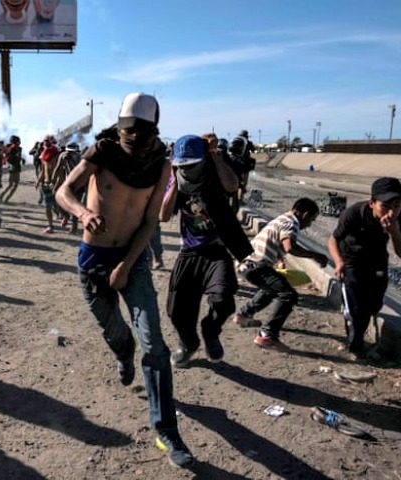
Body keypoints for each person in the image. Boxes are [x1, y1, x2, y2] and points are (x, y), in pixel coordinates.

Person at [55, 93, 194, 469]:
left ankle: (166, 430)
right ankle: (122, 354)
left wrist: (127, 266)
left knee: (156, 345)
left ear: (154, 131)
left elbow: (150, 220)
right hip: (93, 260)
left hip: (132, 260)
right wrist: (82, 212)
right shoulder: (102, 152)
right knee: (116, 334)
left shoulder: (162, 165)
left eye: (142, 131)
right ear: (119, 128)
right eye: (127, 130)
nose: (133, 137)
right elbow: (63, 191)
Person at [160, 134, 252, 367]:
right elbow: (163, 215)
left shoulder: (215, 171)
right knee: (176, 310)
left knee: (223, 301)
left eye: (192, 164)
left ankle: (210, 331)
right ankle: (188, 344)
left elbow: (232, 186)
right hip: (189, 251)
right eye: (183, 165)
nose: (188, 169)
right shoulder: (178, 179)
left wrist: (216, 158)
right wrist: (173, 178)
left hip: (217, 250)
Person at [233, 198, 328, 349]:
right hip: (257, 265)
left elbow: (278, 244)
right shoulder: (292, 222)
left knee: (271, 289)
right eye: (311, 219)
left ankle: (244, 315)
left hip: (246, 264)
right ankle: (267, 335)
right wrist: (315, 255)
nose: (309, 224)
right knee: (288, 295)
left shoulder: (283, 218)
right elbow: (289, 247)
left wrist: (278, 260)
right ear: (305, 214)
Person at [327, 177, 401, 359]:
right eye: (385, 206)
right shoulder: (353, 214)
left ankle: (359, 330)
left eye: (397, 205)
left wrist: (394, 232)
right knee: (356, 308)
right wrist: (338, 262)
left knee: (374, 304)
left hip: (377, 261)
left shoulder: (397, 219)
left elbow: (400, 252)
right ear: (372, 203)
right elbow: (333, 239)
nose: (391, 212)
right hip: (351, 260)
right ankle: (356, 346)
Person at [52, 141, 82, 233]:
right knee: (57, 198)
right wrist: (53, 179)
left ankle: (74, 226)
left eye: (72, 152)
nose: (70, 154)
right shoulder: (63, 156)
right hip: (67, 182)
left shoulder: (81, 158)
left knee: (75, 204)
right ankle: (65, 215)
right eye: (69, 152)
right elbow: (58, 168)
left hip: (79, 184)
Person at [35, 135, 59, 233]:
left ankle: (61, 215)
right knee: (47, 205)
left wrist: (58, 182)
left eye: (48, 141)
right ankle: (50, 226)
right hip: (45, 183)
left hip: (55, 183)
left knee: (56, 204)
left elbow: (60, 171)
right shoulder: (43, 154)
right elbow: (43, 169)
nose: (45, 143)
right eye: (45, 141)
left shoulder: (58, 154)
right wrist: (38, 181)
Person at [0, 135, 22, 203]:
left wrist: (21, 159)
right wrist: (11, 163)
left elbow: (18, 157)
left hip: (17, 168)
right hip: (13, 168)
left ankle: (6, 199)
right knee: (11, 184)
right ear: (14, 142)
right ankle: (2, 196)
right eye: (18, 141)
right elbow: (7, 158)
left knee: (14, 185)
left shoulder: (19, 148)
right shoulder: (10, 149)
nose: (19, 142)